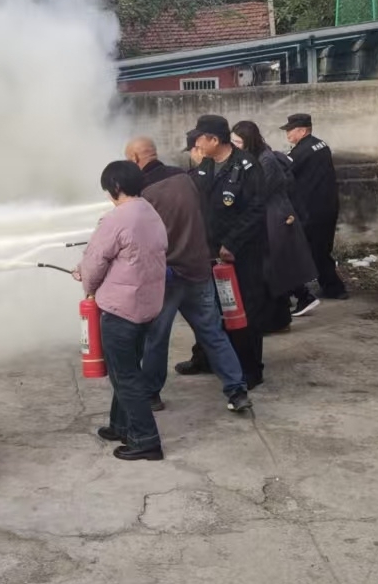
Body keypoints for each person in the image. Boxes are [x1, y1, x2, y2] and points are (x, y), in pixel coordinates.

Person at [127, 138, 253, 415]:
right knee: (213, 333)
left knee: (156, 338)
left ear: (135, 158)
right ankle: (237, 390)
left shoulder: (142, 193)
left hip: (167, 277)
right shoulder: (187, 178)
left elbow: (139, 240)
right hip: (198, 270)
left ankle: (151, 394)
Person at [73, 160, 168, 461]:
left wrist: (87, 282)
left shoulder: (116, 219)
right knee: (126, 370)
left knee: (125, 376)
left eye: (107, 189)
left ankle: (146, 440)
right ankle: (121, 425)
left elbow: (95, 262)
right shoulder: (151, 212)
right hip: (148, 305)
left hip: (121, 308)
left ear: (115, 187)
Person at [177, 115, 270, 390]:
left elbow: (256, 210)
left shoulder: (247, 166)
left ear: (215, 140)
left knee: (242, 310)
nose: (196, 144)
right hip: (208, 250)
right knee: (208, 308)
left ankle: (250, 370)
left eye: (200, 139)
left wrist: (232, 243)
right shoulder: (206, 164)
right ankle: (204, 358)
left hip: (241, 253)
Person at [231, 120, 318, 331]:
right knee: (272, 271)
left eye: (238, 142)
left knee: (274, 269)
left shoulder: (265, 160)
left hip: (273, 216)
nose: (235, 146)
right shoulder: (251, 157)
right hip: (266, 216)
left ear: (249, 141)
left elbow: (258, 191)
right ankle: (282, 313)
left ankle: (283, 314)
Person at [282, 113, 349, 301]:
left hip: (311, 209)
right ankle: (331, 287)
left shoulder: (301, 152)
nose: (287, 134)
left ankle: (331, 289)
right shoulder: (321, 145)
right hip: (327, 206)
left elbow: (284, 170)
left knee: (308, 250)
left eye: (290, 130)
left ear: (302, 130)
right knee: (320, 250)